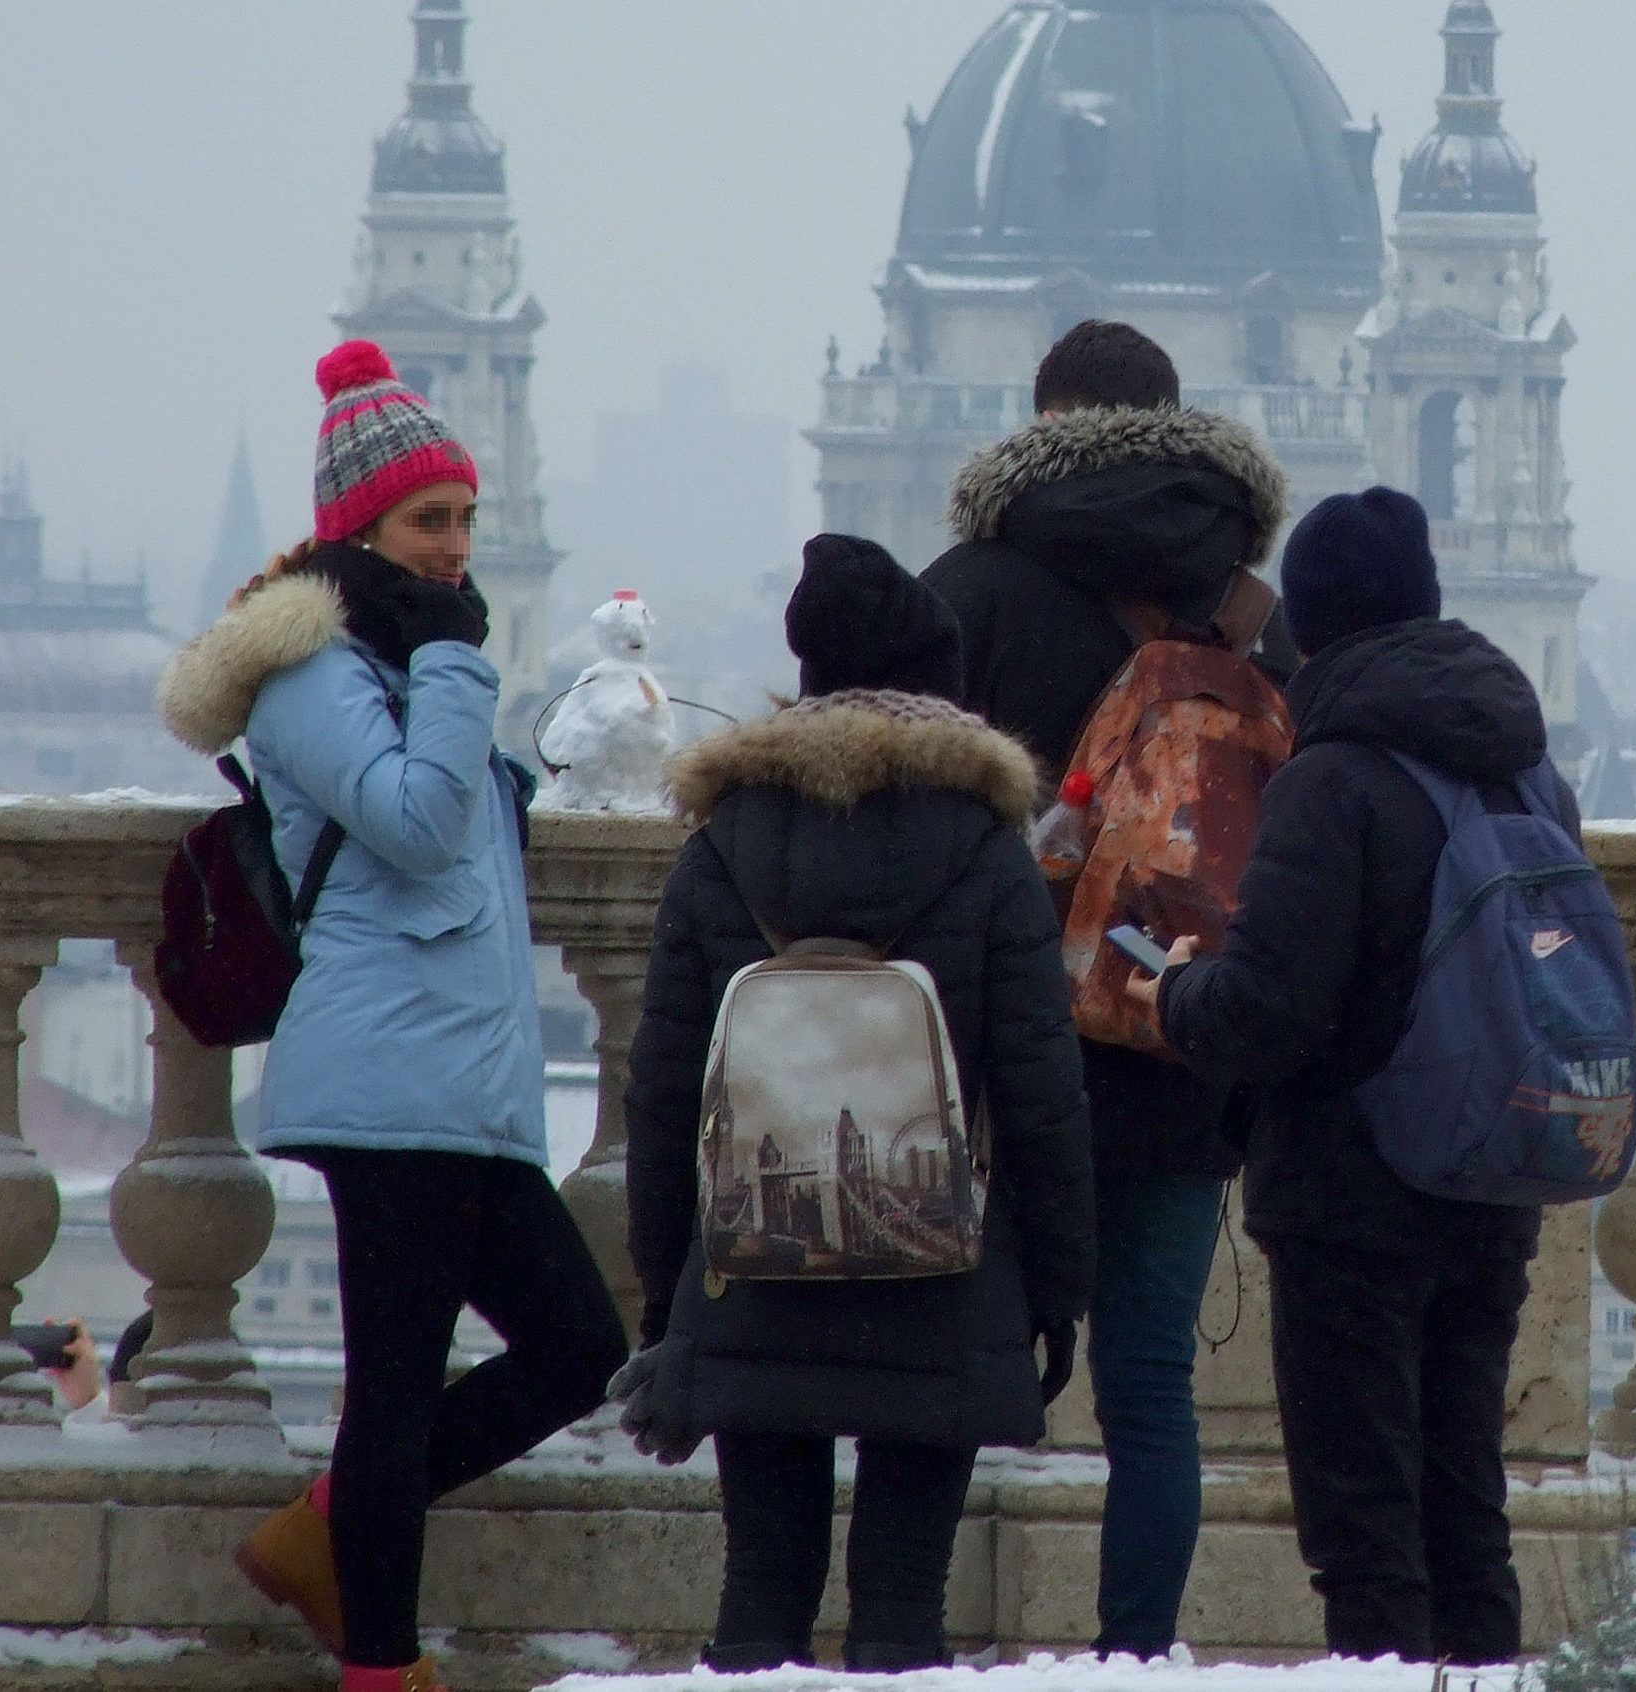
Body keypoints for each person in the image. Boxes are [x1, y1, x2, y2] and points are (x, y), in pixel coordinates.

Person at [156, 339, 627, 1692]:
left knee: (579, 1350)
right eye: (432, 520)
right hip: (387, 1079)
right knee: (399, 1383)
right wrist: (463, 671)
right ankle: (379, 1667)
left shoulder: (413, 655)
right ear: (362, 527)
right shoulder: (317, 670)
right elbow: (419, 825)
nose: (457, 547)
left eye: (469, 519)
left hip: (458, 1079)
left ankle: (325, 1536)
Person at [618, 535, 1096, 1672]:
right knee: (902, 1594)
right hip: (942, 1267)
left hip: (751, 1260)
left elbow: (663, 1093)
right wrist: (1058, 1292)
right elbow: (1042, 1095)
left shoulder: (721, 846)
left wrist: (668, 1285)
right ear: (944, 689)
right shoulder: (986, 854)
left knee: (761, 1583)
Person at [1133, 488, 1564, 1666]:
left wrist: (1173, 988)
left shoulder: (1332, 781)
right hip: (1490, 1176)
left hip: (1353, 1197)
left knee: (1367, 1527)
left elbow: (1270, 1011)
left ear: (1311, 629)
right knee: (1466, 1507)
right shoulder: (1524, 767)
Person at [920, 318, 1291, 1657]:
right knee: (1149, 1389)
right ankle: (1136, 1659)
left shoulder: (967, 589)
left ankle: (911, 1653)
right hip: (1174, 1039)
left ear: (1038, 421)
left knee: (961, 1364)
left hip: (999, 1049)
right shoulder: (1248, 612)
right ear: (1176, 423)